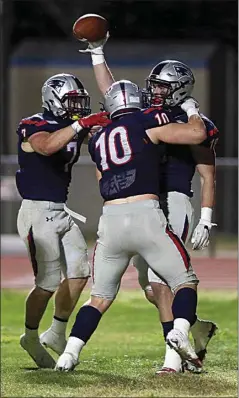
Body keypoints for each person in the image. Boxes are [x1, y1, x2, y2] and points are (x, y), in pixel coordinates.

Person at [76, 38, 219, 373]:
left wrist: (206, 217)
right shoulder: (145, 115)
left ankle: (174, 360)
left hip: (174, 199)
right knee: (152, 290)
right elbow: (113, 92)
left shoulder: (194, 122)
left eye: (162, 87)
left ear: (180, 90)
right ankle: (196, 330)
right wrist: (98, 54)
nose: (154, 91)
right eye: (153, 85)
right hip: (145, 204)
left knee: (164, 280)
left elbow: (207, 174)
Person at [16, 73, 111, 368]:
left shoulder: (73, 126)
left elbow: (89, 134)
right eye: (72, 102)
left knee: (80, 274)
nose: (77, 108)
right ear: (53, 100)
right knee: (46, 284)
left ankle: (57, 331)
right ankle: (30, 336)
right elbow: (46, 146)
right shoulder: (33, 123)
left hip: (60, 210)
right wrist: (80, 125)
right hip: (36, 212)